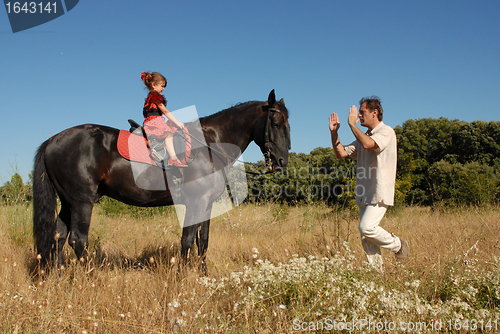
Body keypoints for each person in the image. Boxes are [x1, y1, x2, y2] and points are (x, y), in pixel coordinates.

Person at [329, 96, 408, 269]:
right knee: (367, 238)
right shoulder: (363, 136)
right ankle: (376, 274)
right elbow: (341, 153)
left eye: (362, 112)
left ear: (375, 112)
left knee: (367, 228)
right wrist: (334, 133)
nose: (359, 116)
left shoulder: (386, 132)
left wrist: (352, 126)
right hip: (364, 191)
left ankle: (398, 246)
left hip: (379, 190)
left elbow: (368, 145)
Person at [141, 71, 187, 167]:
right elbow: (165, 111)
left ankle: (156, 144)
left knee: (169, 129)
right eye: (162, 86)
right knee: (169, 135)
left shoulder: (150, 97)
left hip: (152, 121)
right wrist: (177, 122)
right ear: (154, 85)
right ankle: (173, 159)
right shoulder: (154, 96)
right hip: (155, 121)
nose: (163, 89)